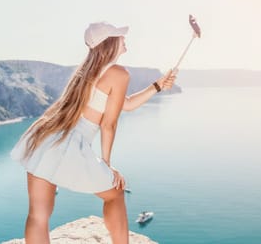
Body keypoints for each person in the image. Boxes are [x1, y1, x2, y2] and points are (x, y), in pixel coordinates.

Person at [10, 22, 177, 244]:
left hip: (44, 135)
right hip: (67, 144)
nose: (124, 39)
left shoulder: (87, 70)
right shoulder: (118, 73)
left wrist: (156, 86)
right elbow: (109, 124)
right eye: (119, 36)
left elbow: (123, 104)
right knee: (116, 192)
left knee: (38, 216)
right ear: (110, 42)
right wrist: (106, 164)